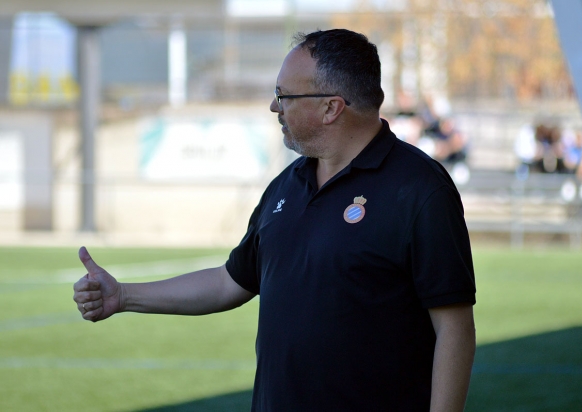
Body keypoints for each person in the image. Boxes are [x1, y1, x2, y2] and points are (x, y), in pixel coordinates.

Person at [74, 29, 476, 412]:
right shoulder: (287, 184)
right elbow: (229, 281)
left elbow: (454, 329)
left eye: (283, 95)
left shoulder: (420, 189)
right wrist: (123, 296)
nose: (274, 107)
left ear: (331, 107)